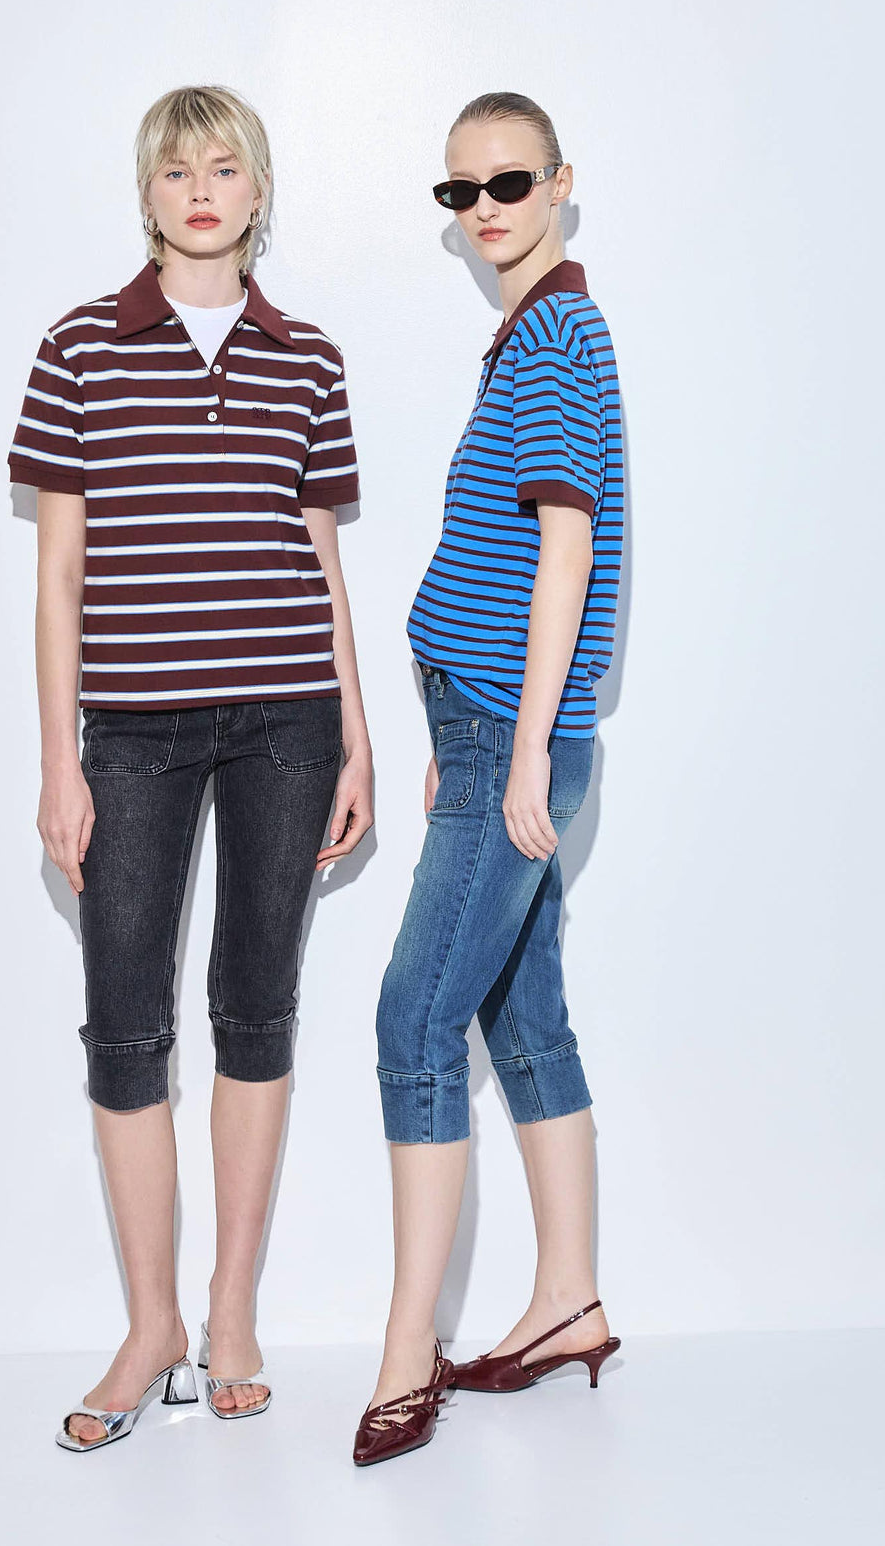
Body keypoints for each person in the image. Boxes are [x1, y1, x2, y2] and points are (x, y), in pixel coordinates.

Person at [7, 84, 372, 1450]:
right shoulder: (80, 345)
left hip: (287, 720)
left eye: (225, 168)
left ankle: (230, 1312)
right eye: (178, 171)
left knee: (256, 1013)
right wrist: (61, 759)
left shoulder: (309, 357)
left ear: (257, 190)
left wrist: (358, 735)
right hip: (133, 730)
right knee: (125, 1028)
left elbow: (321, 561)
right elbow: (58, 574)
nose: (202, 190)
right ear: (148, 193)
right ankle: (149, 1321)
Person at [353, 92, 624, 1467]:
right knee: (524, 1019)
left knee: (415, 1020)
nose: (485, 210)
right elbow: (507, 561)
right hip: (486, 729)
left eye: (509, 182)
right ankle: (570, 1301)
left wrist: (515, 748)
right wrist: (460, 732)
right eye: (459, 191)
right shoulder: (530, 332)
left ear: (560, 183)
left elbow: (566, 547)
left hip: (514, 736)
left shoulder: (558, 334)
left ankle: (410, 1347)